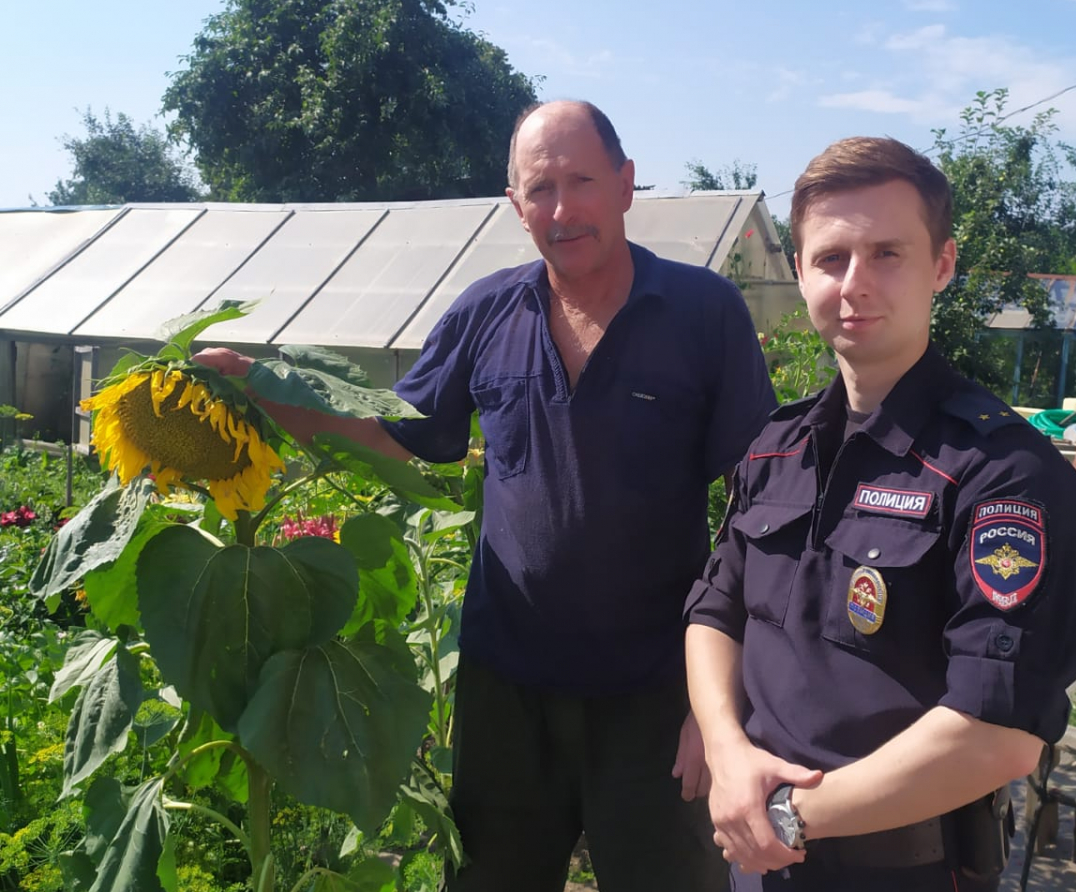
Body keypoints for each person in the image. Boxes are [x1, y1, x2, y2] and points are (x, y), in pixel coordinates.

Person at [197, 100, 777, 891]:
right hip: (508, 688)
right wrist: (263, 394)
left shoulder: (704, 313)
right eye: (540, 188)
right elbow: (399, 432)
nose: (563, 209)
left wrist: (720, 703)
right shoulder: (486, 311)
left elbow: (761, 500)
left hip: (656, 689)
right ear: (515, 204)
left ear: (627, 184)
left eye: (582, 181)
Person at [683, 136, 1076, 892]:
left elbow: (999, 736)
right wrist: (726, 750)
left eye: (887, 254)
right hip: (757, 856)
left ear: (942, 264)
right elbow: (715, 610)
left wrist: (784, 818)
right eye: (833, 258)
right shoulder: (775, 447)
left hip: (902, 868)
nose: (855, 283)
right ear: (801, 270)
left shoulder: (1006, 477)